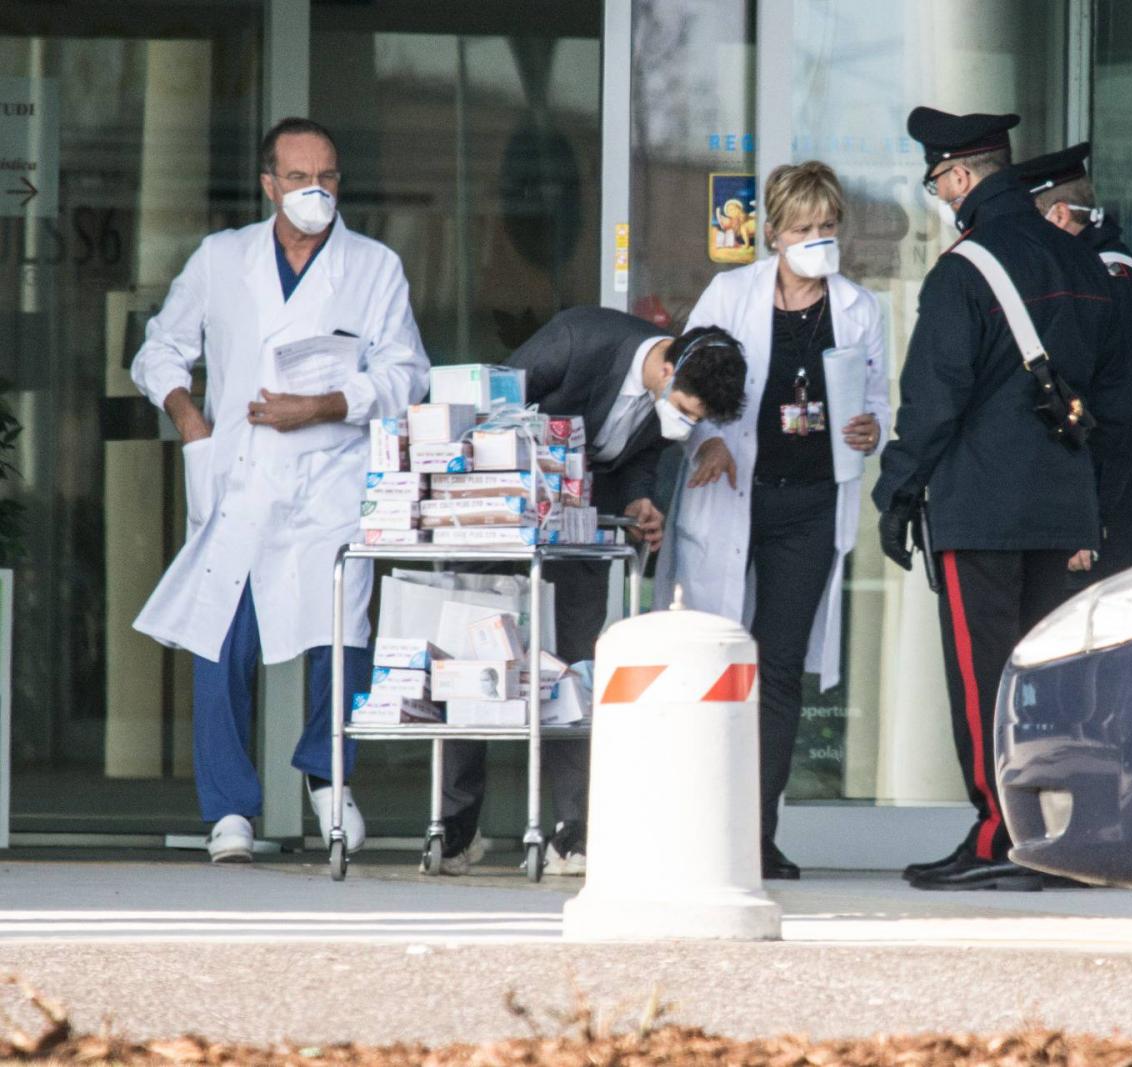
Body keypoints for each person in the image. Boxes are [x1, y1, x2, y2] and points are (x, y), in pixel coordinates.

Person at [130, 117, 430, 863]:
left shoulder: (373, 266)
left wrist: (326, 405)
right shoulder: (221, 258)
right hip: (242, 477)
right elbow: (161, 348)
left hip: (330, 477)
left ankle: (328, 777)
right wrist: (190, 418)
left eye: (327, 177)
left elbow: (407, 373)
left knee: (341, 637)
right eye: (299, 178)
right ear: (270, 185)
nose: (315, 192)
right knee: (220, 641)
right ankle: (229, 808)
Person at [874, 108, 1128, 891]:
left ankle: (998, 835)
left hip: (979, 510)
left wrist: (896, 489)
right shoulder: (1086, 264)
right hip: (1061, 510)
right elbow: (1116, 407)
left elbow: (933, 401)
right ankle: (1060, 834)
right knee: (1051, 681)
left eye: (940, 182)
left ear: (956, 177)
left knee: (984, 678)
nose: (942, 196)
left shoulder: (964, 271)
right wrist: (1092, 506)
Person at [436, 311, 749, 875]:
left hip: (579, 527)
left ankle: (572, 831)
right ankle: (457, 826)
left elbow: (638, 456)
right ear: (666, 367)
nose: (684, 425)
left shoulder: (665, 402)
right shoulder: (581, 342)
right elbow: (490, 409)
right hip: (499, 514)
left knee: (576, 670)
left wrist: (638, 502)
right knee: (474, 665)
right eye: (685, 411)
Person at [658, 161, 891, 881]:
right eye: (803, 228)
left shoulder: (859, 308)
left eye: (828, 228)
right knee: (717, 656)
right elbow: (685, 381)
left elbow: (879, 400)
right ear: (773, 233)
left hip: (811, 502)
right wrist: (714, 436)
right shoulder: (730, 293)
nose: (818, 241)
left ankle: (757, 832)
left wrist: (870, 430)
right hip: (733, 492)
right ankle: (698, 827)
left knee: (779, 665)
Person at [1016, 143, 1132, 577]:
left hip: (1100, 529)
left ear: (1059, 215)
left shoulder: (1112, 281)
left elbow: (1124, 413)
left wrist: (1090, 518)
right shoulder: (1089, 276)